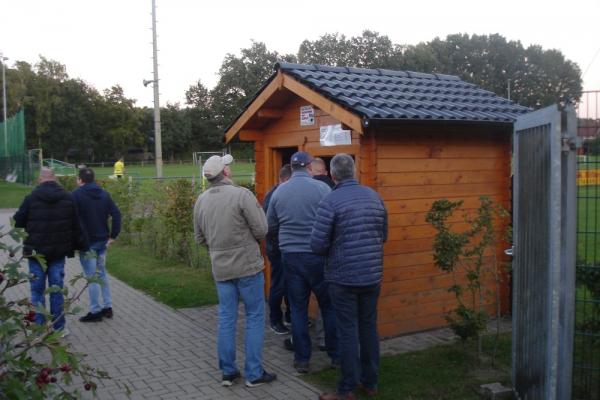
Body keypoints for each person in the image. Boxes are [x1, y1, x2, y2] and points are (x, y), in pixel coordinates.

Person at [193, 154, 277, 388]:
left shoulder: (201, 201)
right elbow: (262, 230)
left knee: (226, 319)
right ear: (226, 173)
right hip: (248, 267)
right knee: (254, 317)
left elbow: (200, 238)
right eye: (228, 166)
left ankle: (228, 373)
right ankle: (253, 373)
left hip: (220, 268)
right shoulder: (242, 195)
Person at [311, 153, 388, 400]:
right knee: (368, 329)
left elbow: (318, 245)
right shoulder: (375, 197)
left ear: (332, 175)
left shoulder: (330, 201)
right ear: (353, 172)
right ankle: (370, 382)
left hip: (342, 278)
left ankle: (346, 389)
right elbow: (383, 234)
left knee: (347, 332)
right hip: (371, 276)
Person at [266, 151, 338, 374]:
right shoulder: (323, 189)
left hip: (291, 257)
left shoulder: (279, 192)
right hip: (318, 256)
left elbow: (271, 225)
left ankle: (302, 359)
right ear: (308, 166)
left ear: (292, 167)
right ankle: (335, 356)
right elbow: (333, 220)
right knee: (328, 306)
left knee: (297, 308)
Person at [13, 167, 88, 337]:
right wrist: (81, 244)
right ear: (55, 179)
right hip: (58, 252)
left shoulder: (31, 198)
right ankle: (59, 328)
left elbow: (18, 221)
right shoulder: (68, 198)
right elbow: (76, 224)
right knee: (56, 289)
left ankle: (39, 328)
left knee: (37, 291)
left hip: (35, 252)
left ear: (40, 179)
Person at [73, 167, 121, 322]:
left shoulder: (76, 195)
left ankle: (95, 310)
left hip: (87, 244)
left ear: (80, 180)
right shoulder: (104, 194)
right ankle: (108, 307)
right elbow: (116, 214)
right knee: (102, 274)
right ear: (93, 179)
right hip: (102, 242)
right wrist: (113, 235)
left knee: (92, 277)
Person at [263, 164, 292, 335]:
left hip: (285, 247)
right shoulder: (273, 196)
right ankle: (275, 320)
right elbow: (269, 226)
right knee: (279, 284)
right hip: (277, 247)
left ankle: (289, 316)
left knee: (291, 283)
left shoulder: (277, 192)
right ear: (286, 179)